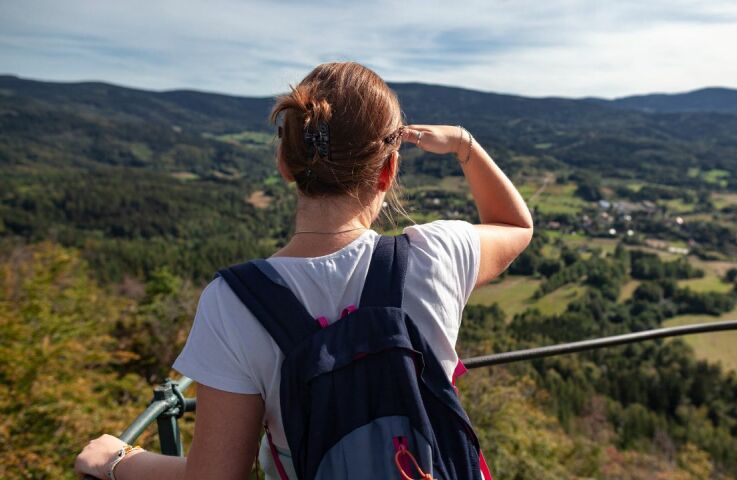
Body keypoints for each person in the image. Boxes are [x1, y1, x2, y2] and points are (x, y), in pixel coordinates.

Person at [75, 61, 532, 480]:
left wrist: (119, 461)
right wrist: (463, 145)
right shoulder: (436, 254)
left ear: (284, 165)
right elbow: (515, 225)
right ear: (388, 171)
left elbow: (215, 476)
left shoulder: (232, 303)